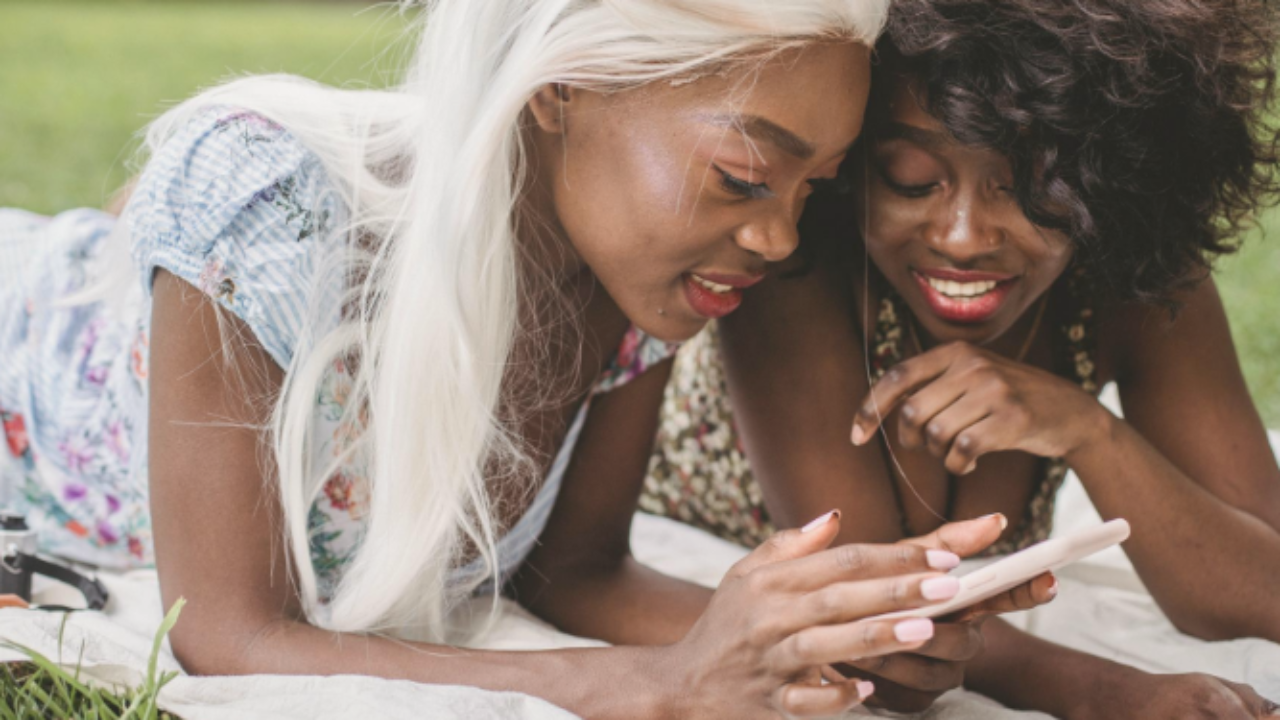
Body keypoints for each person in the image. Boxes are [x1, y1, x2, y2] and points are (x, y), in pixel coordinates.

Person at [0, 2, 1054, 717]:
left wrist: (872, 630)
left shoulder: (633, 283)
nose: (780, 239)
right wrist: (663, 686)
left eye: (810, 189)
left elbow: (575, 567)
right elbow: (229, 637)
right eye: (743, 176)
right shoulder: (267, 205)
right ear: (564, 88)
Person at [642, 0, 1280, 717]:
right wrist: (1112, 691)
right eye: (911, 177)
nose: (964, 236)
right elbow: (881, 612)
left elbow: (1263, 589)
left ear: (1111, 175)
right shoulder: (801, 270)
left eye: (1031, 186)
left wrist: (1086, 428)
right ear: (853, 166)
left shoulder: (1133, 275)